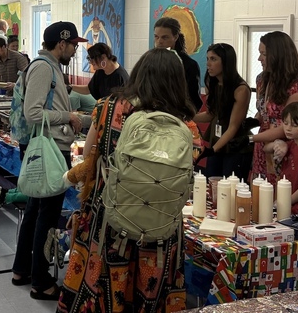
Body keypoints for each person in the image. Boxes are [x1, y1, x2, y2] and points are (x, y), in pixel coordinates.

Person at [59, 48, 198, 312]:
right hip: (160, 229)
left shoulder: (108, 108)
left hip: (109, 221)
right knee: (152, 295)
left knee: (102, 291)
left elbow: (89, 157)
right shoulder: (186, 124)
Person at [11, 21, 90, 300]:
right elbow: (33, 112)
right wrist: (67, 117)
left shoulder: (50, 67)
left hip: (51, 147)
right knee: (47, 215)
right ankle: (42, 281)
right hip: (51, 151)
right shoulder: (44, 67)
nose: (75, 50)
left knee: (34, 209)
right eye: (74, 45)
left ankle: (22, 269)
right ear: (61, 43)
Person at [250, 31, 298, 185]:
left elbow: (289, 125)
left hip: (287, 147)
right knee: (262, 194)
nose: (259, 58)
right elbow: (264, 112)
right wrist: (250, 124)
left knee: (283, 197)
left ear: (278, 55)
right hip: (265, 145)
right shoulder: (262, 79)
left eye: (264, 54)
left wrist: (250, 138)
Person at [193, 43, 252, 180]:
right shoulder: (213, 84)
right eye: (207, 59)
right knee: (211, 183)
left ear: (226, 61)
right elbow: (211, 114)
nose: (208, 64)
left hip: (235, 146)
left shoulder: (240, 89)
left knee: (230, 188)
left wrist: (211, 150)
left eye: (213, 59)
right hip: (218, 142)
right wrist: (188, 117)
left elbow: (233, 127)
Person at [154, 17, 202, 111]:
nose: (159, 41)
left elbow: (194, 101)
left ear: (175, 37)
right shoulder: (150, 62)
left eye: (165, 37)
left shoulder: (189, 65)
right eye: (156, 37)